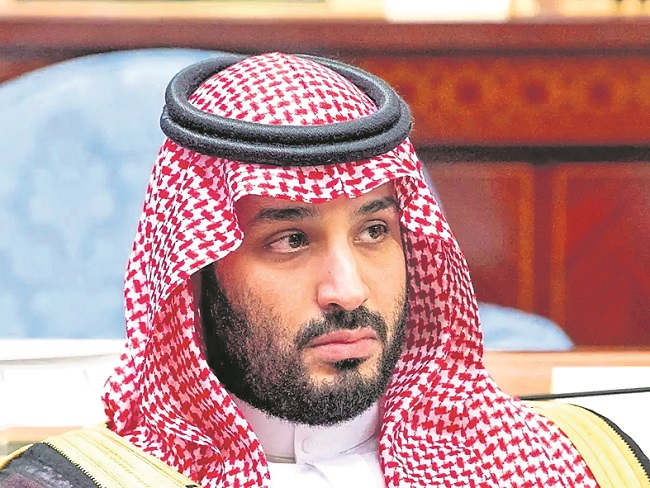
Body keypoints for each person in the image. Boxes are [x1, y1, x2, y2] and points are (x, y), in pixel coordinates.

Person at [1, 52, 648, 487]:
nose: (349, 290)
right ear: (196, 275)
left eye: (374, 231)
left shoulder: (579, 465)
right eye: (290, 240)